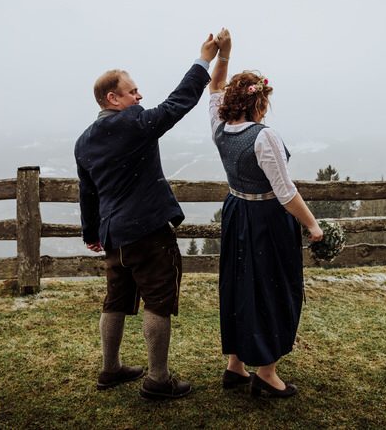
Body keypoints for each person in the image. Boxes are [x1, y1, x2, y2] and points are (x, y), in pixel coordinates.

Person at [74, 32, 220, 400]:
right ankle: (158, 379)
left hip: (113, 236)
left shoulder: (84, 141)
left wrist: (92, 233)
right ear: (113, 98)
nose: (139, 97)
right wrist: (204, 60)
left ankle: (110, 369)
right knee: (158, 300)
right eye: (133, 91)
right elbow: (178, 103)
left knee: (115, 300)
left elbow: (88, 192)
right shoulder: (134, 123)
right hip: (148, 233)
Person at [208, 28, 323, 398]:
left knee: (240, 285)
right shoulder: (263, 136)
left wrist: (224, 54)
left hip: (236, 212)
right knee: (274, 288)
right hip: (267, 220)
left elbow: (214, 88)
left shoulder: (219, 127)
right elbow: (285, 193)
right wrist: (312, 225)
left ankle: (235, 366)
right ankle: (267, 373)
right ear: (257, 103)